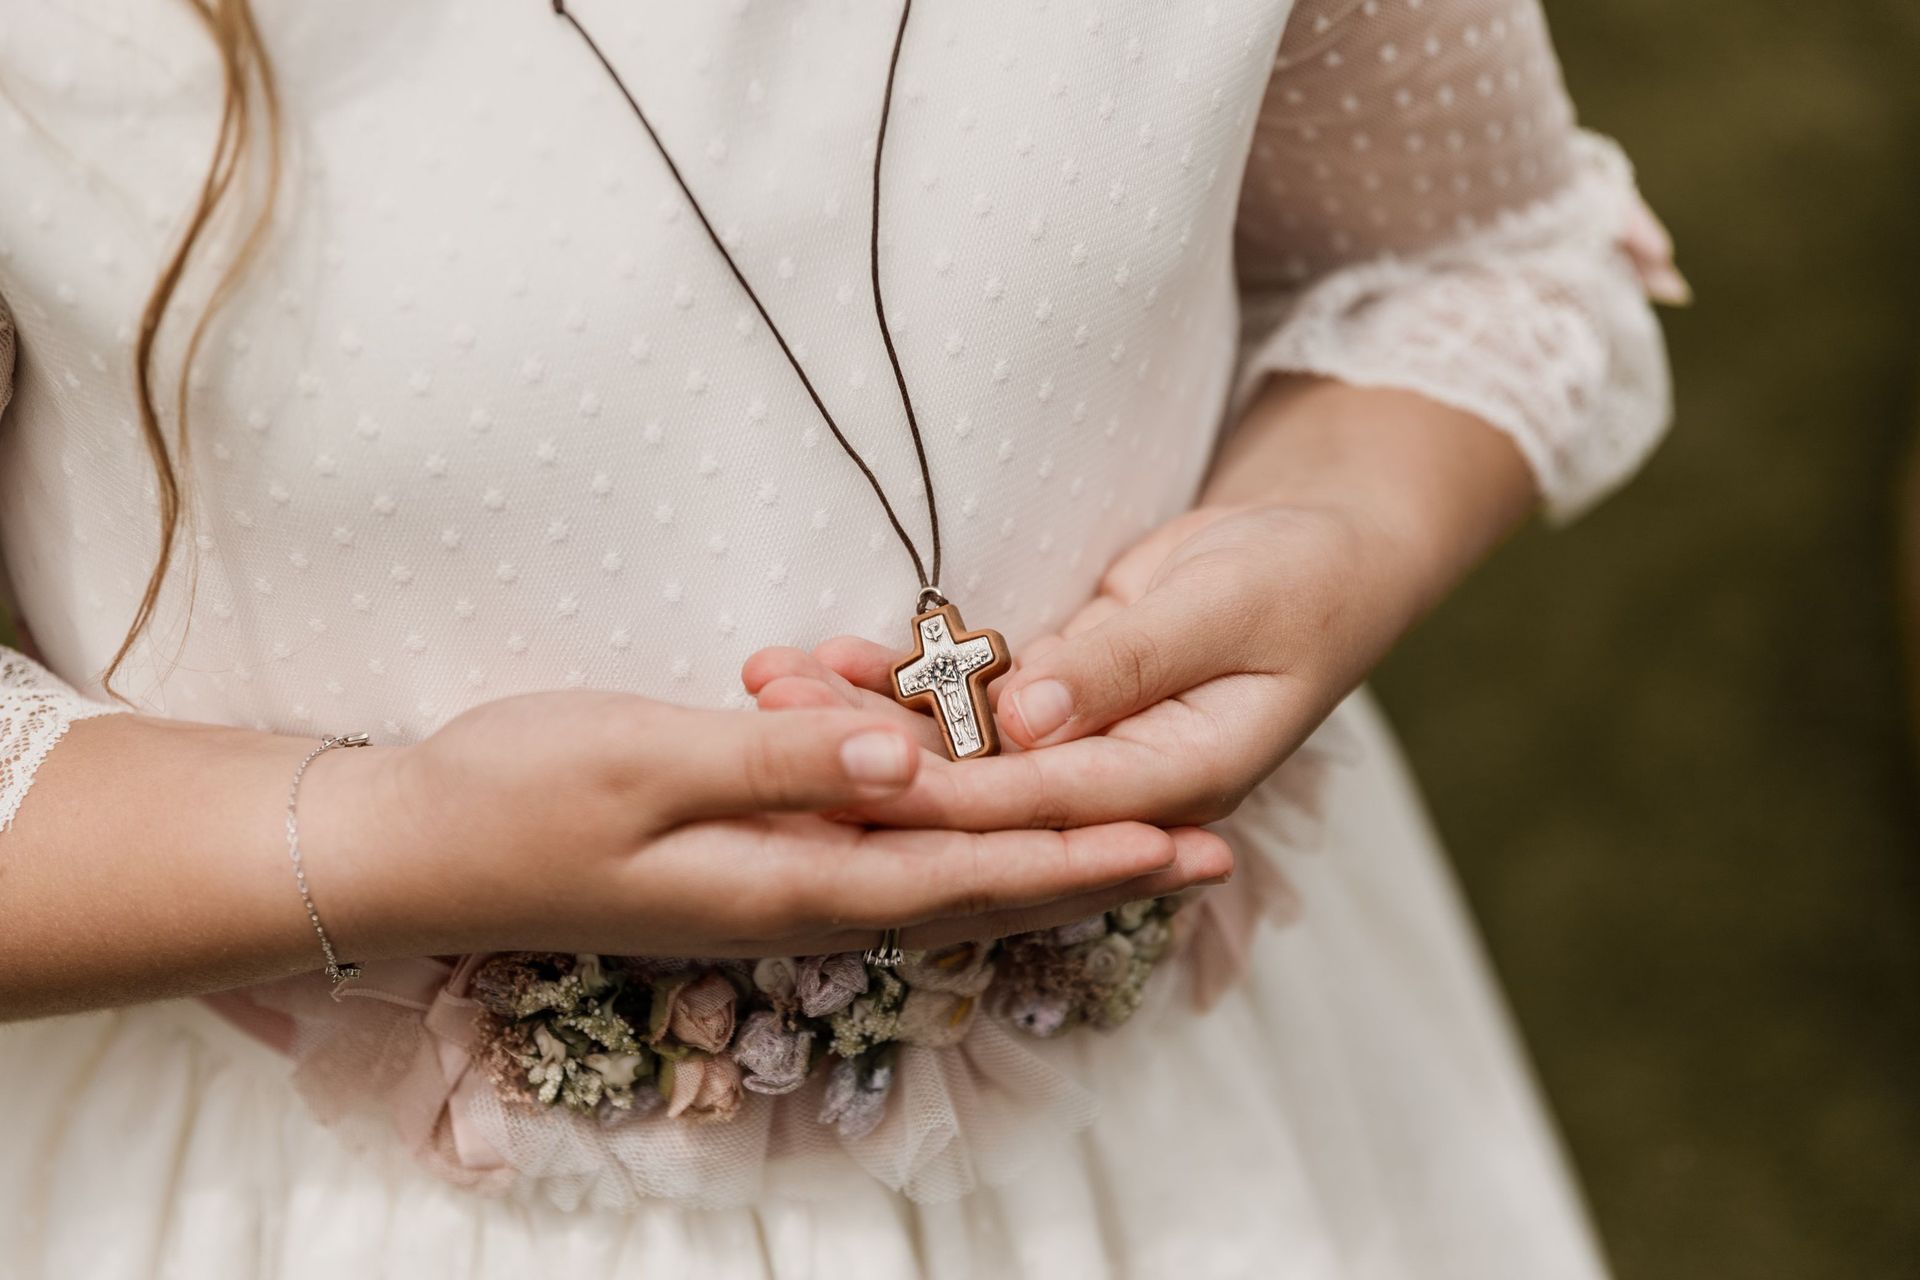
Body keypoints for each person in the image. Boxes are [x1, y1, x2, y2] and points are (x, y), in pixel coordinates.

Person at [0, 0, 1680, 1275]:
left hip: (1186, 1135)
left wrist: (1349, 525)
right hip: (351, 1196)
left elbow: (1475, 244)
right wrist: (382, 843)